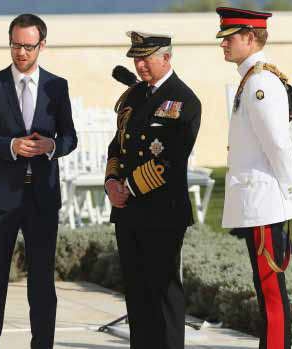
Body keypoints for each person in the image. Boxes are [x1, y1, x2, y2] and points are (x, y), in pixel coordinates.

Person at [0, 13, 77, 349]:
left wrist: (52, 146)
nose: (21, 53)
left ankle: (42, 344)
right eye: (16, 45)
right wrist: (12, 146)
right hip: (1, 196)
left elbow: (70, 136)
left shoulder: (57, 86)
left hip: (42, 197)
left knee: (42, 280)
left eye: (28, 46)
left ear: (41, 45)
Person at [104, 31, 201, 349]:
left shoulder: (184, 100)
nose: (140, 65)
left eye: (146, 58)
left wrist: (128, 187)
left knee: (163, 291)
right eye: (136, 58)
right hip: (128, 210)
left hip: (162, 211)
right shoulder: (133, 97)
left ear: (167, 58)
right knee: (136, 291)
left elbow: (172, 157)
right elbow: (117, 145)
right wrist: (112, 183)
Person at [216, 7, 292, 349]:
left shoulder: (261, 83)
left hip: (265, 202)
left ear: (251, 38)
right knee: (265, 288)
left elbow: (278, 144)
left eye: (230, 38)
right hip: (257, 202)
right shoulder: (252, 78)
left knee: (271, 292)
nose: (224, 44)